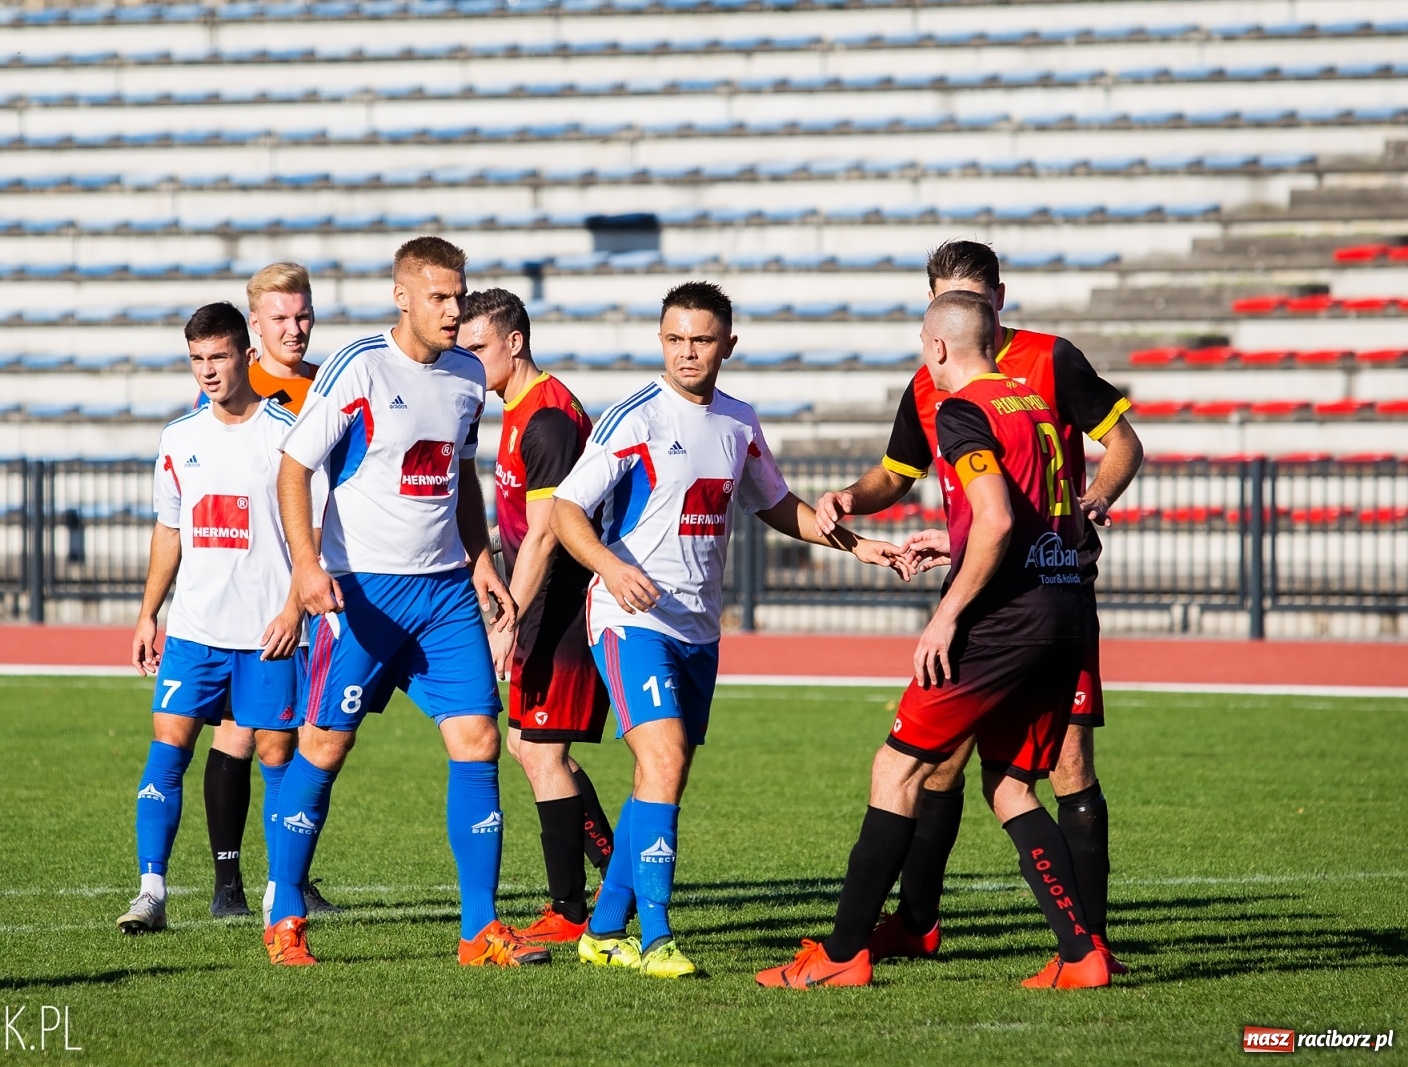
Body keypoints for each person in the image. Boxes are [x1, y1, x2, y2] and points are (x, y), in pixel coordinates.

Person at [550, 281, 908, 979]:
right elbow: (566, 508)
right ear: (661, 340)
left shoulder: (739, 422)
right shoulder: (634, 418)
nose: (688, 352)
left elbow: (777, 504)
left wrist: (859, 545)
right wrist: (610, 569)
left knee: (661, 774)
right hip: (631, 618)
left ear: (728, 346)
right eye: (676, 338)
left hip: (698, 629)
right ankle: (655, 939)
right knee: (665, 759)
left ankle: (600, 929)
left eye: (703, 340)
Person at [758, 290, 1109, 990]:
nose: (925, 359)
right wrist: (958, 550)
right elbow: (1039, 517)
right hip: (1063, 611)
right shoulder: (1030, 401)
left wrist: (949, 613)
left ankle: (842, 954)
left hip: (1001, 624)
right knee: (1009, 783)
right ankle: (1082, 954)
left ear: (940, 346)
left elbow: (999, 518)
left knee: (897, 770)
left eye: (924, 345)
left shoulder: (960, 408)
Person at [263, 236, 547, 969]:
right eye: (439, 298)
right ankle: (286, 912)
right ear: (403, 297)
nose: (454, 311)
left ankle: (479, 929)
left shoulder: (463, 377)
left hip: (447, 590)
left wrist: (482, 559)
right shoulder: (358, 368)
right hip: (363, 589)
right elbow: (292, 470)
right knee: (325, 745)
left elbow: (463, 476)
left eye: (460, 296)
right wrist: (305, 567)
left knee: (479, 739)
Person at [119, 301, 324, 935]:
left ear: (248, 355)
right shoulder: (178, 439)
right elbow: (170, 529)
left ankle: (277, 892)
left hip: (268, 631)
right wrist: (149, 612)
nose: (208, 370)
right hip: (195, 632)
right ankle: (151, 890)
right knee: (167, 748)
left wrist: (293, 608)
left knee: (277, 755)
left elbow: (310, 534)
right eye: (197, 359)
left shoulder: (289, 432)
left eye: (219, 356)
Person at [457, 288, 618, 943]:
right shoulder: (520, 408)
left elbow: (550, 533)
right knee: (534, 746)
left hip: (562, 610)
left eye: (477, 347)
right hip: (541, 605)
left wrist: (510, 617)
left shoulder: (548, 419)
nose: (468, 359)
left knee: (542, 748)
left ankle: (578, 907)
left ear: (514, 342)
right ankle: (612, 880)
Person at [197, 262, 341, 919]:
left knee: (306, 737)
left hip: (321, 582)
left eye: (302, 314)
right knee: (241, 730)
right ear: (254, 326)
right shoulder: (235, 388)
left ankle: (292, 876)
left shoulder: (329, 383)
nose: (295, 328)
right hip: (254, 591)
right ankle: (228, 883)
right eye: (280, 317)